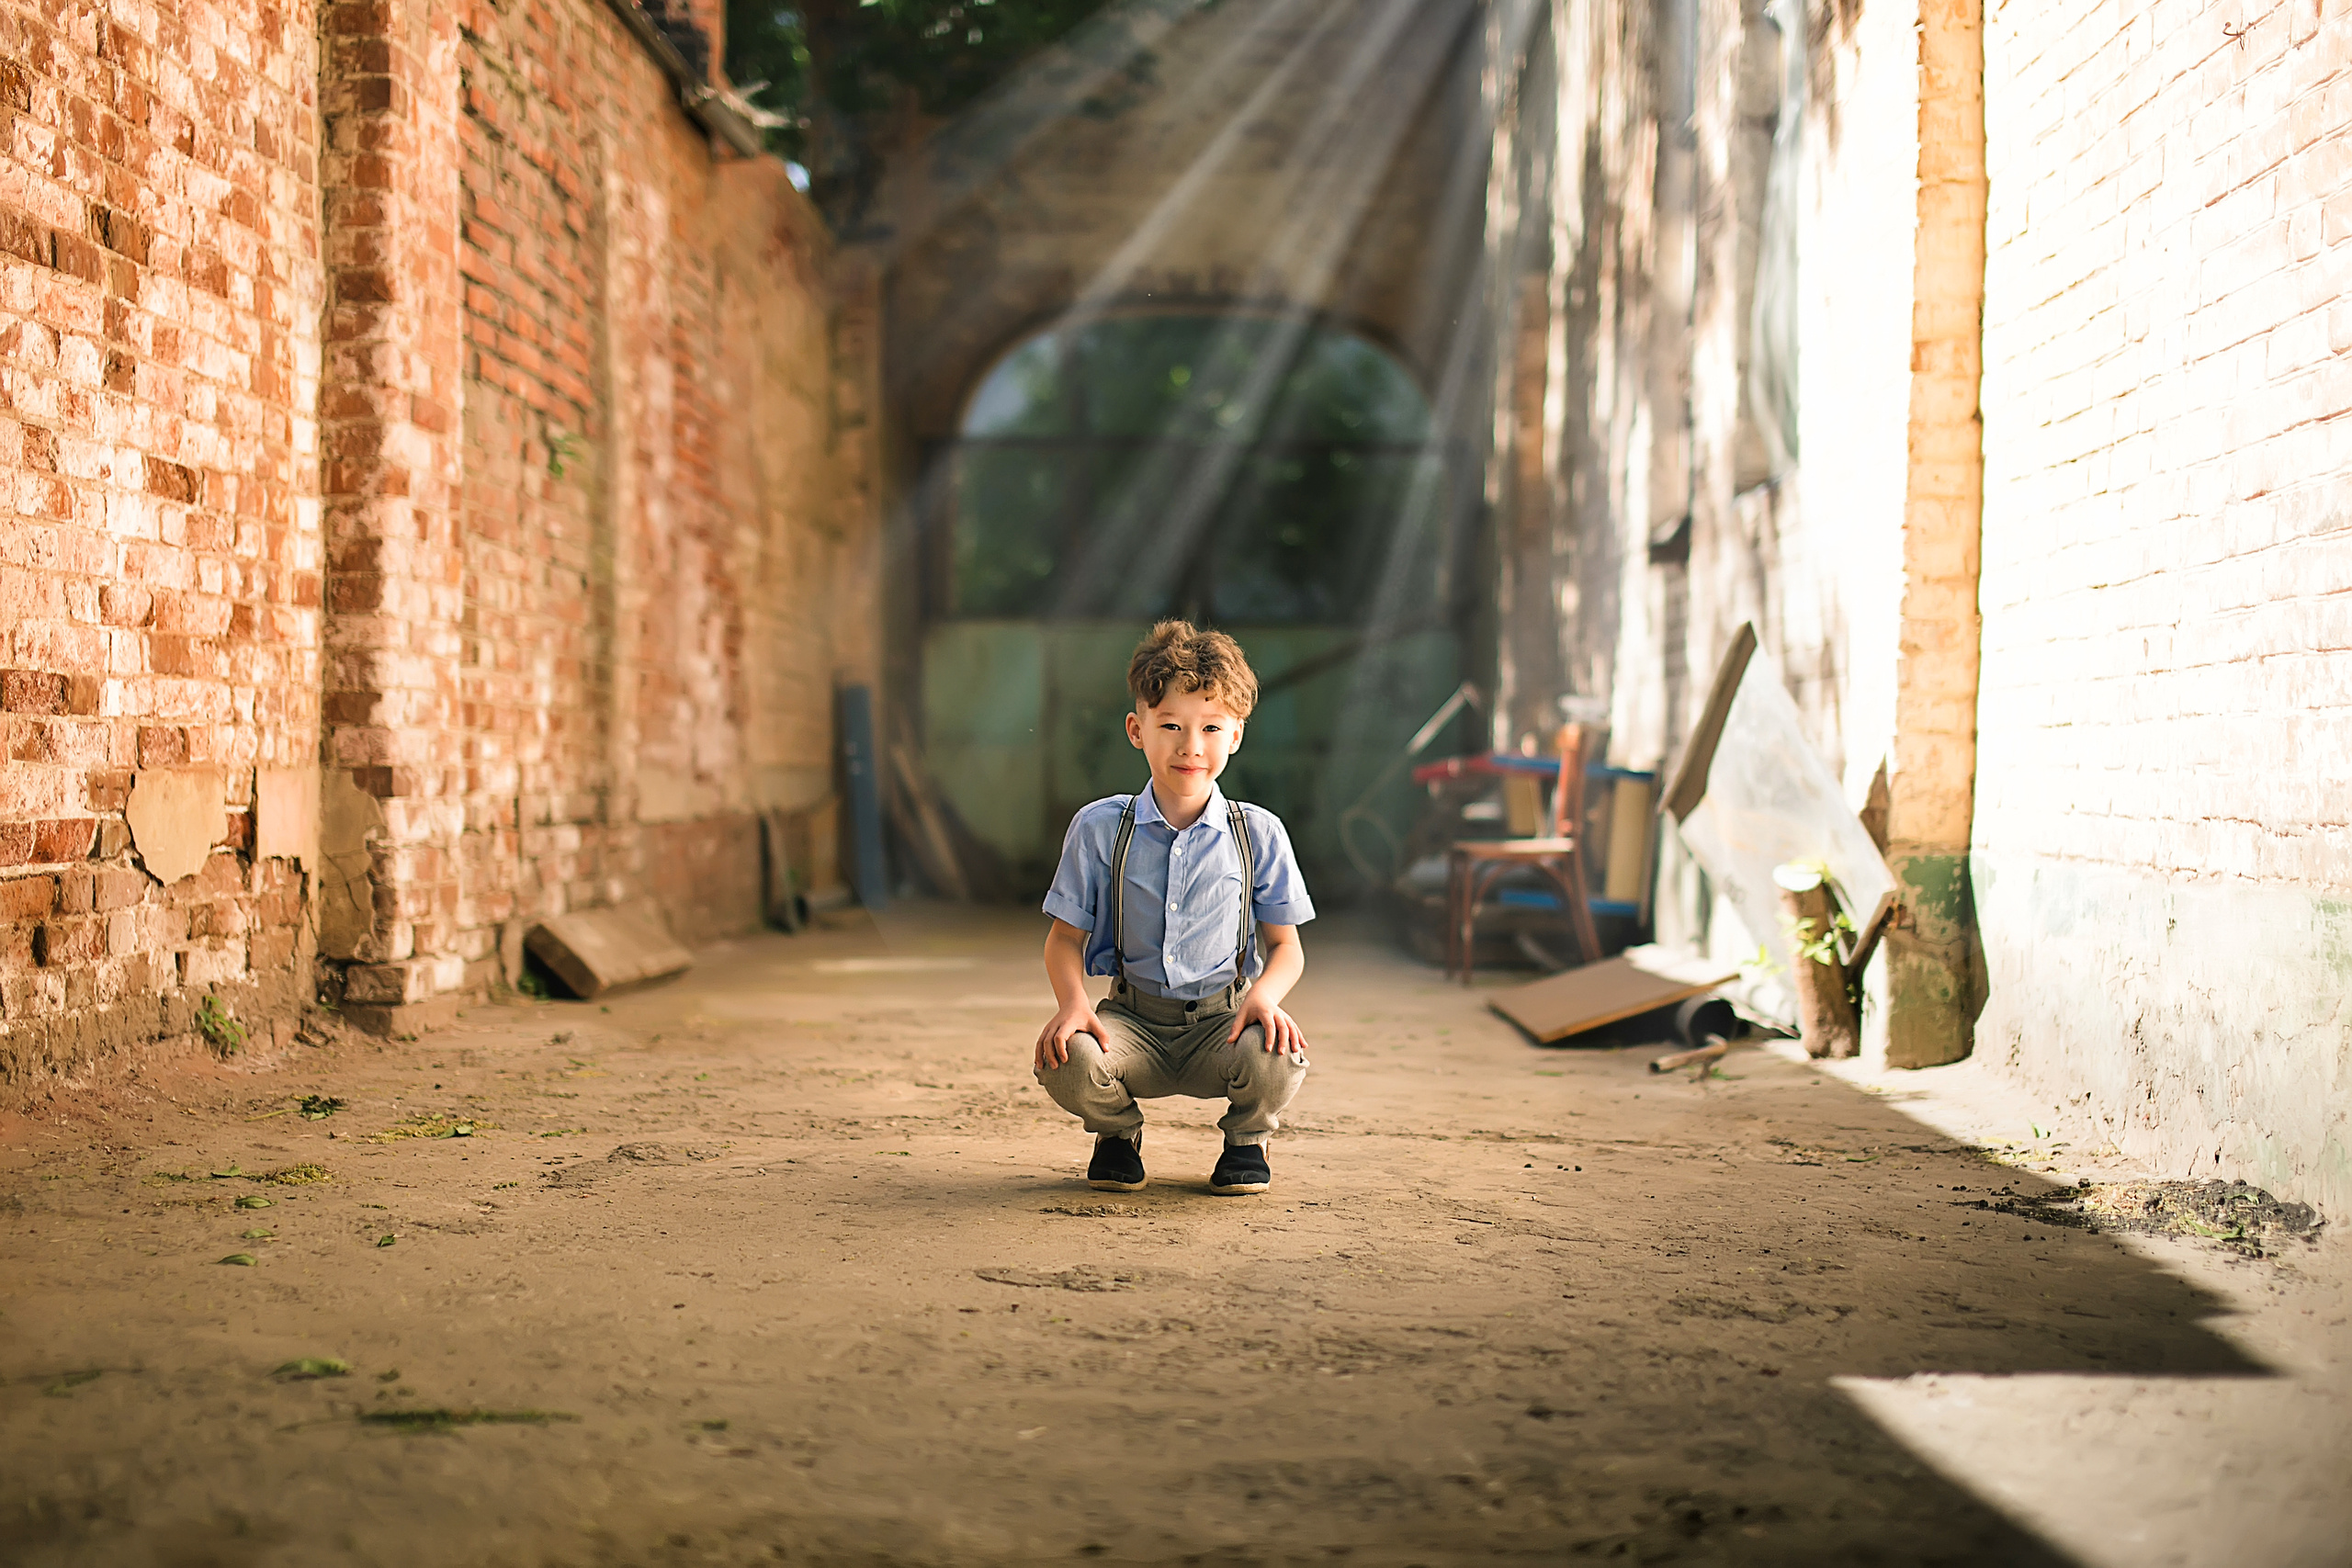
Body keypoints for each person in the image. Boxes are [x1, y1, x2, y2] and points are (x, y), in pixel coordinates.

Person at [1033, 620, 1316, 1195]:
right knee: (1065, 1055)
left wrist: (1263, 998)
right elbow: (1064, 940)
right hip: (1131, 1023)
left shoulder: (1257, 834)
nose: (1192, 746)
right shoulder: (1100, 829)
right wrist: (1072, 1004)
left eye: (1212, 727)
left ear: (1235, 735)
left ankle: (1246, 1143)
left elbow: (1285, 946)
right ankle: (1117, 1135)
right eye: (1171, 726)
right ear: (1138, 730)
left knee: (1278, 1052)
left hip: (1223, 1022)